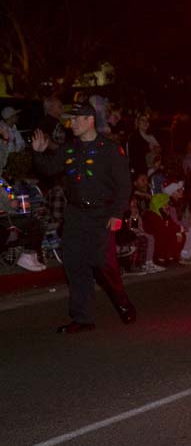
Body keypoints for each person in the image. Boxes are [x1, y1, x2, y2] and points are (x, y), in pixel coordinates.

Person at [31, 102, 137, 333]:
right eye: (70, 120)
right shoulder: (70, 148)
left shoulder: (109, 149)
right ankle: (83, 317)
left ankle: (122, 301)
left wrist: (117, 214)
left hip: (102, 215)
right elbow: (48, 169)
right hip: (76, 215)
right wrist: (38, 153)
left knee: (103, 264)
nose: (72, 124)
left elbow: (123, 185)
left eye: (76, 119)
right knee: (74, 265)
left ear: (90, 120)